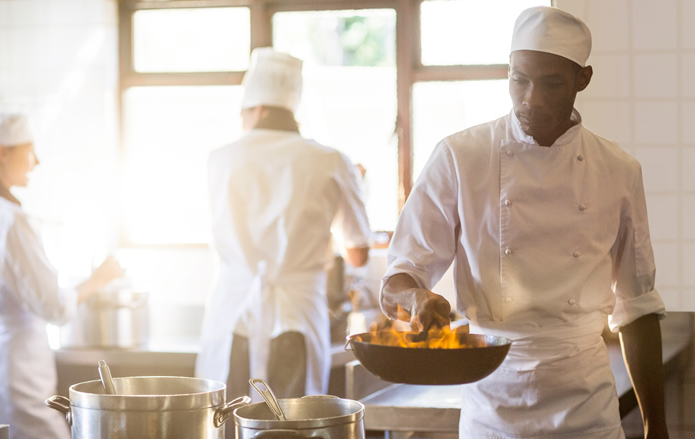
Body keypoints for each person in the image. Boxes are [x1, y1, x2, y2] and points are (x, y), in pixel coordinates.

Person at [380, 6, 668, 439]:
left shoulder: (619, 170)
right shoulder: (461, 156)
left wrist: (655, 425)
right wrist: (416, 299)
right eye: (519, 80)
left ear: (582, 80)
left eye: (551, 83)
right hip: (492, 401)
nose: (531, 98)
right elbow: (399, 279)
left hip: (586, 405)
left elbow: (638, 307)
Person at [195, 47, 372, 409]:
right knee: (291, 426)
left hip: (232, 318)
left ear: (256, 109)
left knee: (224, 421)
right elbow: (358, 253)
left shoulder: (220, 159)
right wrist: (359, 188)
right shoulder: (331, 160)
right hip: (297, 316)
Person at [0, 112, 124, 438]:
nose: (36, 161)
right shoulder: (11, 219)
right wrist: (100, 279)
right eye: (29, 150)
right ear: (3, 152)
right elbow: (54, 307)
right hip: (13, 376)